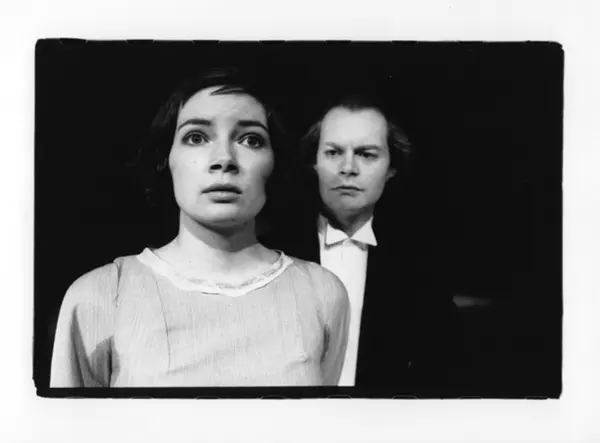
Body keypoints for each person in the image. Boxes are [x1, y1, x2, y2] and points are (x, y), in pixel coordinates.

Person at [50, 69, 350, 388]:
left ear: (274, 162)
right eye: (196, 138)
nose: (224, 159)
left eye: (251, 140)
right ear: (166, 158)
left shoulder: (321, 292)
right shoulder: (101, 295)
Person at [262, 93, 460, 394]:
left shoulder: (421, 266)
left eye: (366, 154)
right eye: (333, 152)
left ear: (391, 167)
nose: (348, 167)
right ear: (314, 162)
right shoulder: (267, 252)